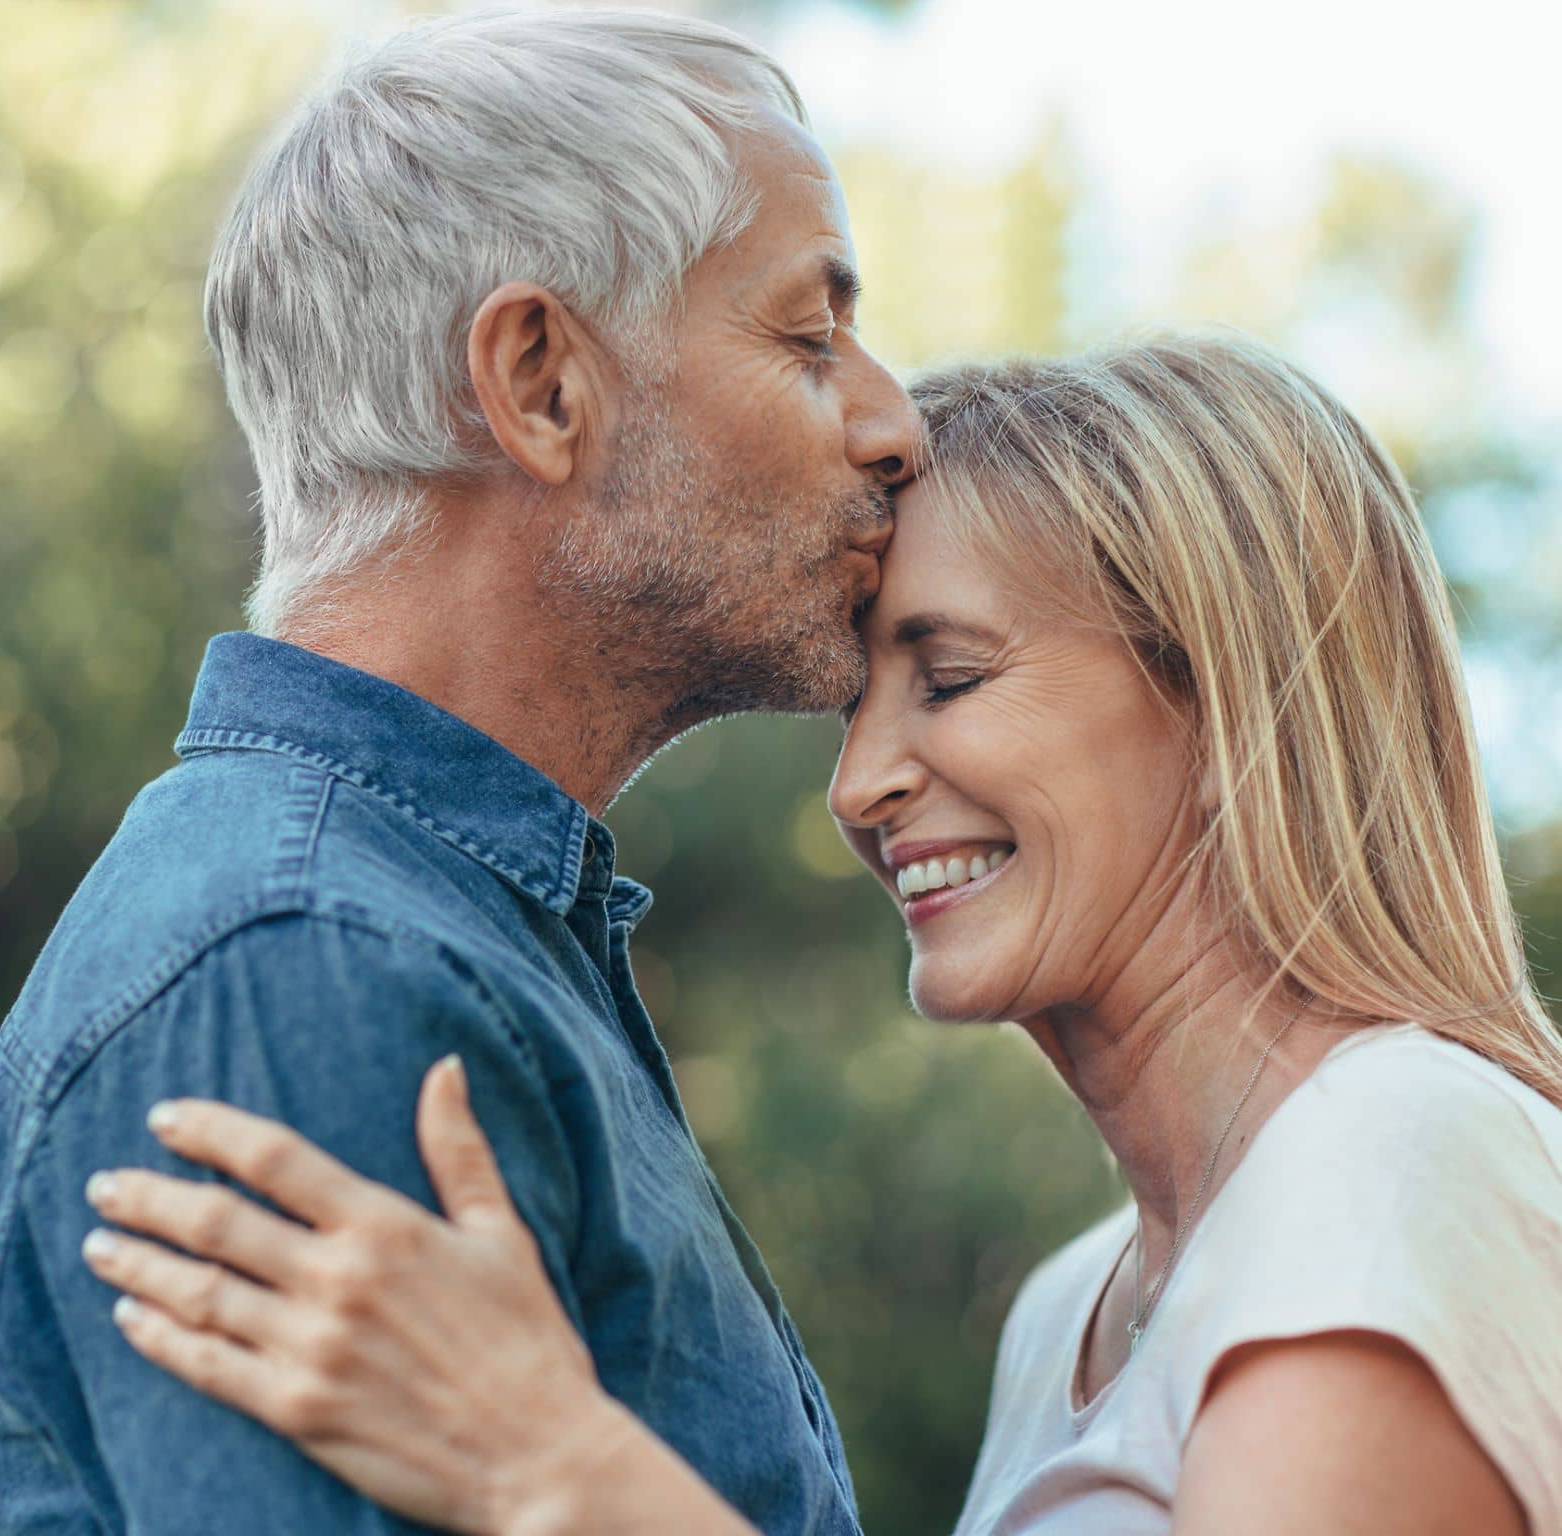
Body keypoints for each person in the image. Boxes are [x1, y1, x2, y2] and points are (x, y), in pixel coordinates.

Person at [80, 336, 1562, 1535]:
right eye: (859, 701)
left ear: (1234, 708)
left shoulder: (1394, 1154)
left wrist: (565, 1472)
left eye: (955, 678)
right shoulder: (1071, 1316)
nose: (858, 784)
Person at [0, 10, 920, 1533]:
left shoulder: (439, 934)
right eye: (806, 335)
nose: (892, 421)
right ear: (539, 382)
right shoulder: (308, 967)